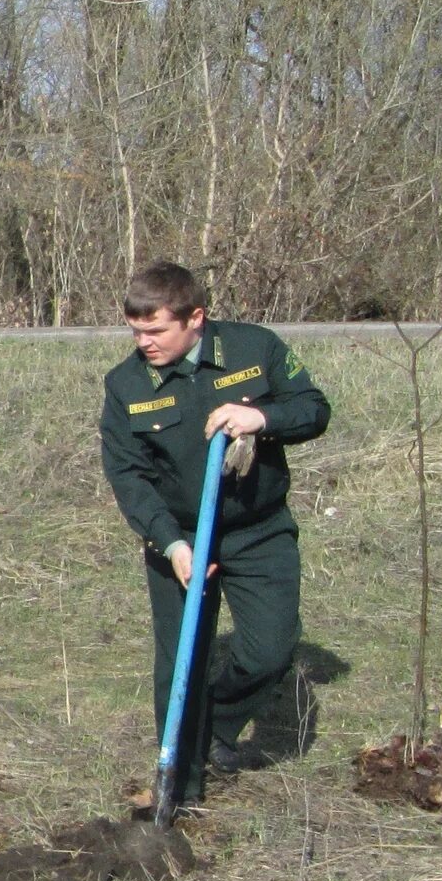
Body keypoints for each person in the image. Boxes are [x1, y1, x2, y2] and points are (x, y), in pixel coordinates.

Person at [99, 263, 329, 809]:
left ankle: (216, 721)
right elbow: (128, 478)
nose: (143, 343)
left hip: (258, 531)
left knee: (271, 649)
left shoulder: (255, 349)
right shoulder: (127, 384)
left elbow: (314, 409)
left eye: (155, 331)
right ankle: (180, 787)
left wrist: (261, 419)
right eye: (135, 330)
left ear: (195, 318)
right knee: (181, 660)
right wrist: (172, 546)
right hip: (178, 538)